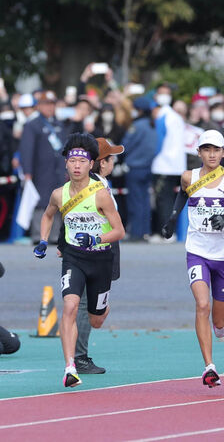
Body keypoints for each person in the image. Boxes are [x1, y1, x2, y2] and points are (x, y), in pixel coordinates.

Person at [33, 133, 126, 388]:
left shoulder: (101, 194)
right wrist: (43, 240)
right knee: (71, 307)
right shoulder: (58, 194)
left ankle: (102, 308)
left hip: (101, 259)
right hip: (74, 258)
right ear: (66, 163)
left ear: (90, 164)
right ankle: (71, 366)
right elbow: (48, 216)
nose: (76, 165)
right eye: (72, 160)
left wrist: (95, 240)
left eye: (81, 161)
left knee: (96, 318)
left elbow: (119, 231)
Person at [161, 130, 224, 387]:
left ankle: (222, 325)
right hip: (197, 251)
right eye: (206, 150)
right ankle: (209, 366)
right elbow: (182, 194)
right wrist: (171, 219)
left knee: (219, 323)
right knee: (202, 305)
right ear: (199, 153)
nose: (211, 155)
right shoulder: (189, 177)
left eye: (216, 150)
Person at [70, 136, 124, 376]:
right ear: (102, 163)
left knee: (93, 311)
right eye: (111, 158)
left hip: (99, 249)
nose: (113, 163)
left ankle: (77, 356)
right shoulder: (95, 188)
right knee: (83, 306)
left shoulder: (99, 185)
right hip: (93, 251)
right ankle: (78, 358)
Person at [19, 91, 68, 243]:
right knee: (40, 203)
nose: (49, 107)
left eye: (52, 104)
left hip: (58, 170)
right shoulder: (32, 125)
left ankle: (55, 235)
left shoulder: (59, 124)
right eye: (46, 104)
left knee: (58, 201)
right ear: (39, 106)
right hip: (40, 171)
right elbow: (26, 150)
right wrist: (27, 172)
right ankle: (39, 235)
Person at [150, 92, 188, 240]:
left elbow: (158, 142)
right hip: (177, 165)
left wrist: (151, 157)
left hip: (163, 165)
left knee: (163, 201)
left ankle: (164, 233)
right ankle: (172, 232)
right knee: (173, 201)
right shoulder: (176, 117)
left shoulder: (162, 117)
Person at [121, 97, 158, 242]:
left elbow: (125, 145)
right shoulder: (153, 125)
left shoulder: (136, 126)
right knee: (145, 201)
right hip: (149, 167)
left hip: (135, 167)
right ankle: (145, 231)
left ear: (139, 110)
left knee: (135, 201)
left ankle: (136, 232)